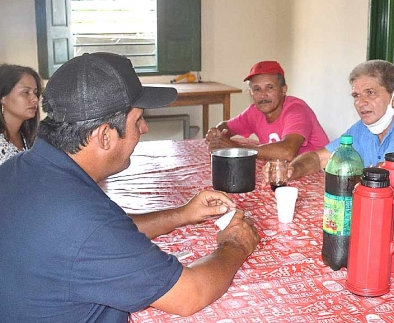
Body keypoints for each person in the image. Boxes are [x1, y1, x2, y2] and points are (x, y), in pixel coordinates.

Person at [0, 53, 261, 322]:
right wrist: (234, 244)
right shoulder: (84, 220)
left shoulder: (21, 170)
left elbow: (108, 233)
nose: (145, 128)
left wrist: (183, 214)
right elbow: (189, 294)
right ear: (104, 136)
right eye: (138, 120)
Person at [280, 60, 394, 220]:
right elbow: (319, 158)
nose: (361, 102)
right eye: (356, 95)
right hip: (380, 217)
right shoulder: (364, 128)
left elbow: (380, 182)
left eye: (370, 93)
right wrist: (292, 169)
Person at [205, 60, 329, 161]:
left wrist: (235, 147)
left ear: (284, 90)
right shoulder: (254, 111)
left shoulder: (297, 110)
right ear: (251, 93)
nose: (263, 95)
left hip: (318, 177)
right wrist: (217, 134)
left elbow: (287, 152)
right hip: (285, 174)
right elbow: (226, 126)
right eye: (257, 89)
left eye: (270, 88)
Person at [0, 64, 42, 164]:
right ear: (3, 97)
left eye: (35, 93)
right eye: (26, 92)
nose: (35, 99)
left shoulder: (32, 137)